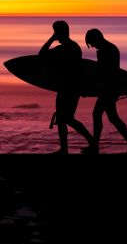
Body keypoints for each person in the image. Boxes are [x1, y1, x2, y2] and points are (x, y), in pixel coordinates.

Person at [39, 21, 96, 154]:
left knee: (67, 118)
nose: (55, 35)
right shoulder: (73, 46)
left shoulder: (65, 48)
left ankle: (91, 143)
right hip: (69, 87)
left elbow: (42, 55)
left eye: (55, 32)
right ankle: (66, 148)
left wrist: (51, 39)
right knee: (63, 118)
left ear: (60, 33)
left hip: (69, 88)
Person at [84, 28, 127, 154]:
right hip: (111, 88)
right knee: (113, 117)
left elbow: (105, 73)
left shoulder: (106, 50)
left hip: (108, 88)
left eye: (92, 43)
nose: (92, 46)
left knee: (98, 115)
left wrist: (91, 88)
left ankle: (95, 145)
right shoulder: (110, 48)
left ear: (97, 38)